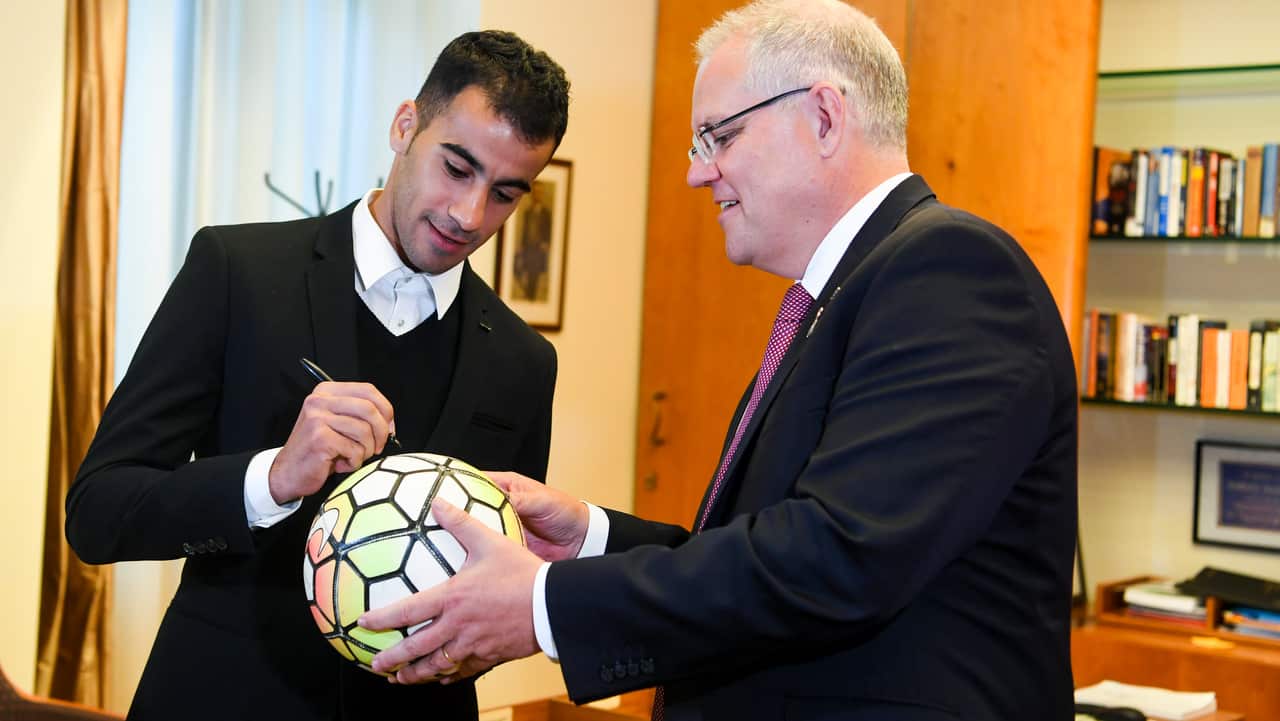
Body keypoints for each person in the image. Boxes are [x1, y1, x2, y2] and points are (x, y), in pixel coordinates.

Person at [361, 1, 1077, 719]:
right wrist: (589, 541)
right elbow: (761, 551)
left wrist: (542, 603)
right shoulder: (848, 294)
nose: (697, 174)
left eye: (719, 137)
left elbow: (835, 558)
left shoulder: (949, 270)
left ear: (824, 117)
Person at [65, 30, 569, 721]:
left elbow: (502, 573)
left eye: (506, 193)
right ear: (404, 126)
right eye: (457, 167)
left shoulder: (525, 361)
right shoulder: (236, 272)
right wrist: (270, 478)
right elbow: (98, 513)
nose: (469, 214)